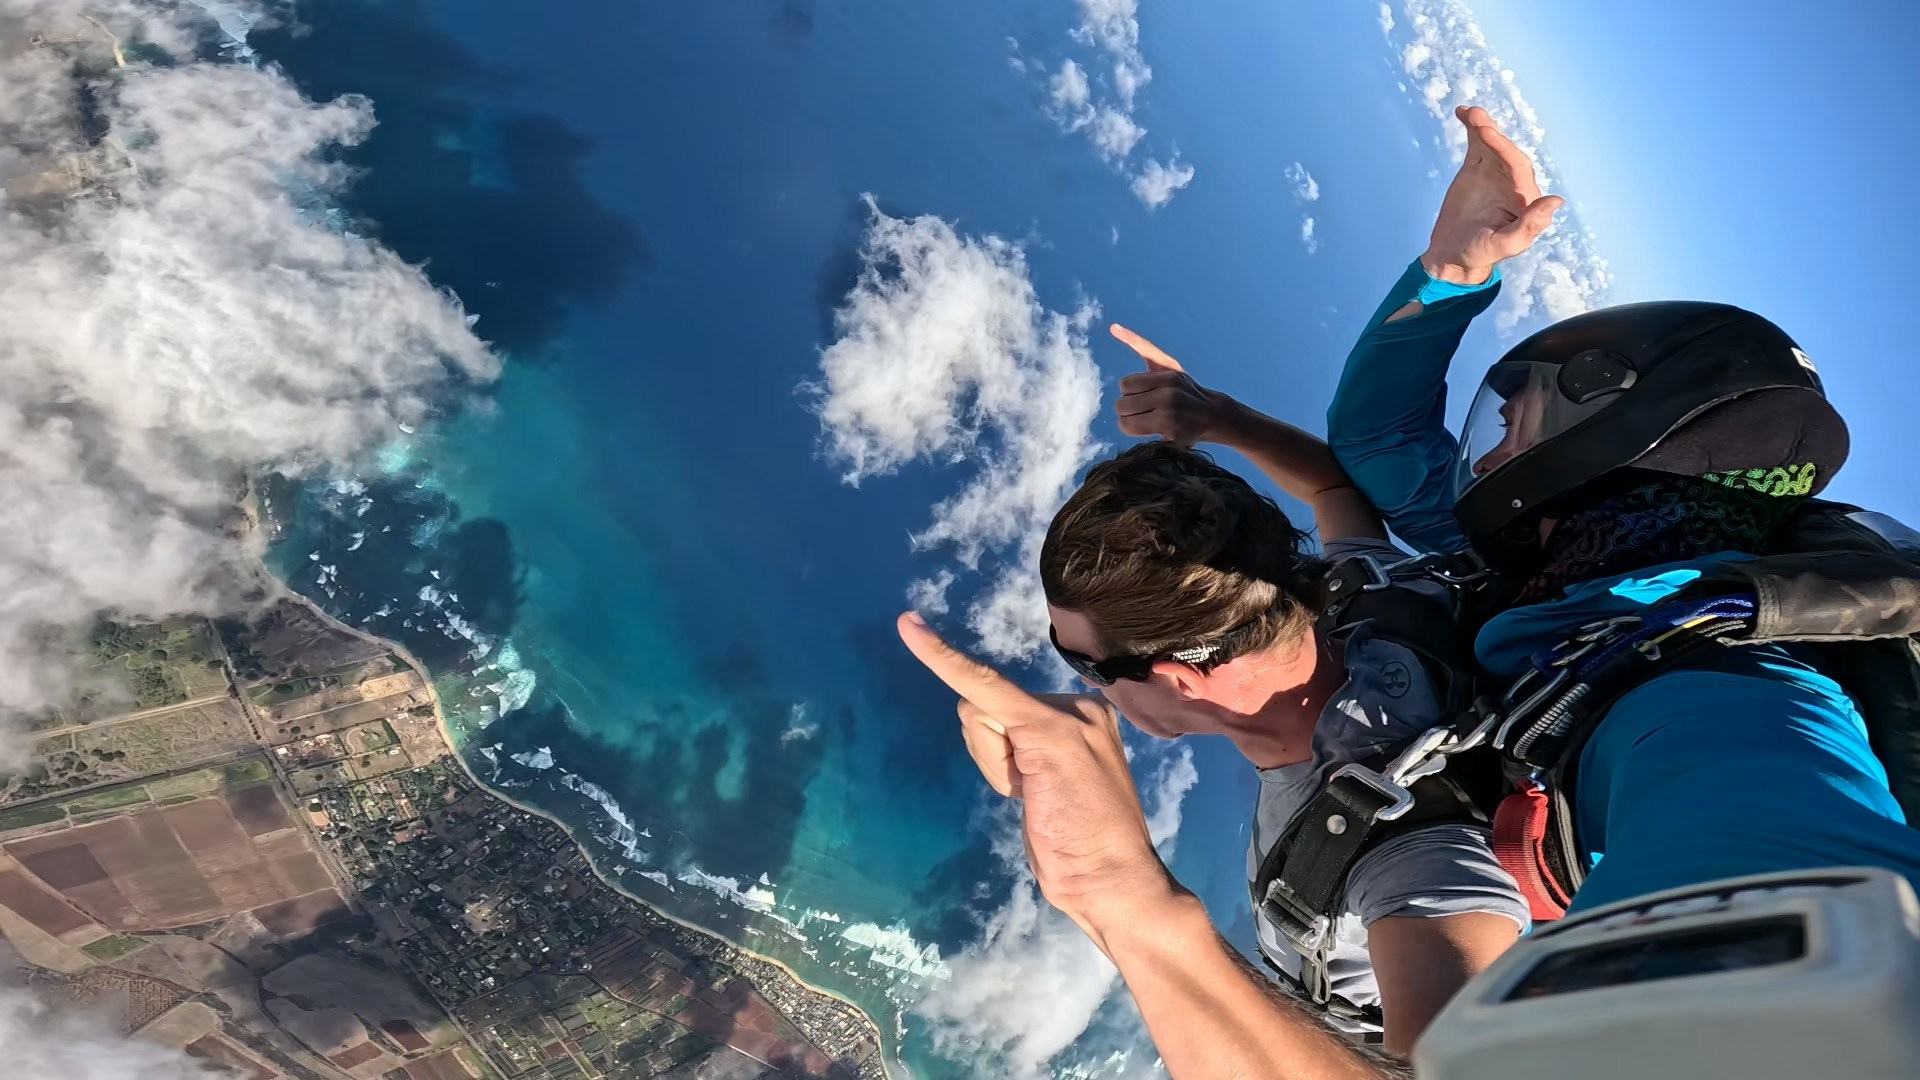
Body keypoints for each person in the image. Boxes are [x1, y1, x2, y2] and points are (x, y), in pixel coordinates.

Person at [1323, 104, 1920, 914]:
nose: (1491, 459)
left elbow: (1779, 839)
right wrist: (1453, 272)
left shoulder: (1719, 660)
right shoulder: (1570, 554)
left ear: (1614, 432)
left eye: (1512, 426)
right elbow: (1378, 439)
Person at [1039, 333, 1523, 1053]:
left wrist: (1119, 894)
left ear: (1177, 679)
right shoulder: (1373, 598)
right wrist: (1221, 419)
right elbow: (1333, 488)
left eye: (1085, 666)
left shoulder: (1413, 860)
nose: (1082, 685)